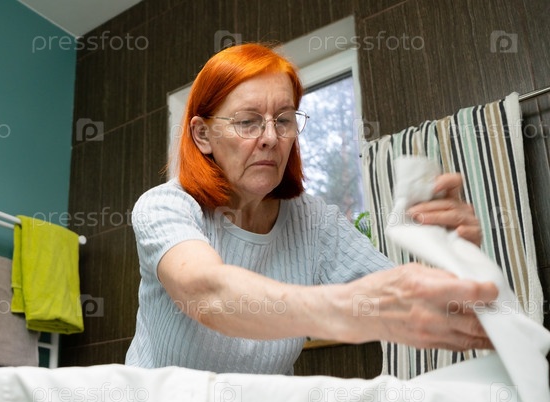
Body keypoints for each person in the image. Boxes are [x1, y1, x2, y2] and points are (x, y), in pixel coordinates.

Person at [125, 42, 497, 374]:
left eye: (283, 120)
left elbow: (414, 305)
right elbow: (208, 295)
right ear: (202, 135)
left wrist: (458, 253)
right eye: (248, 121)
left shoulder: (314, 222)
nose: (271, 138)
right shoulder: (165, 207)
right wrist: (340, 310)